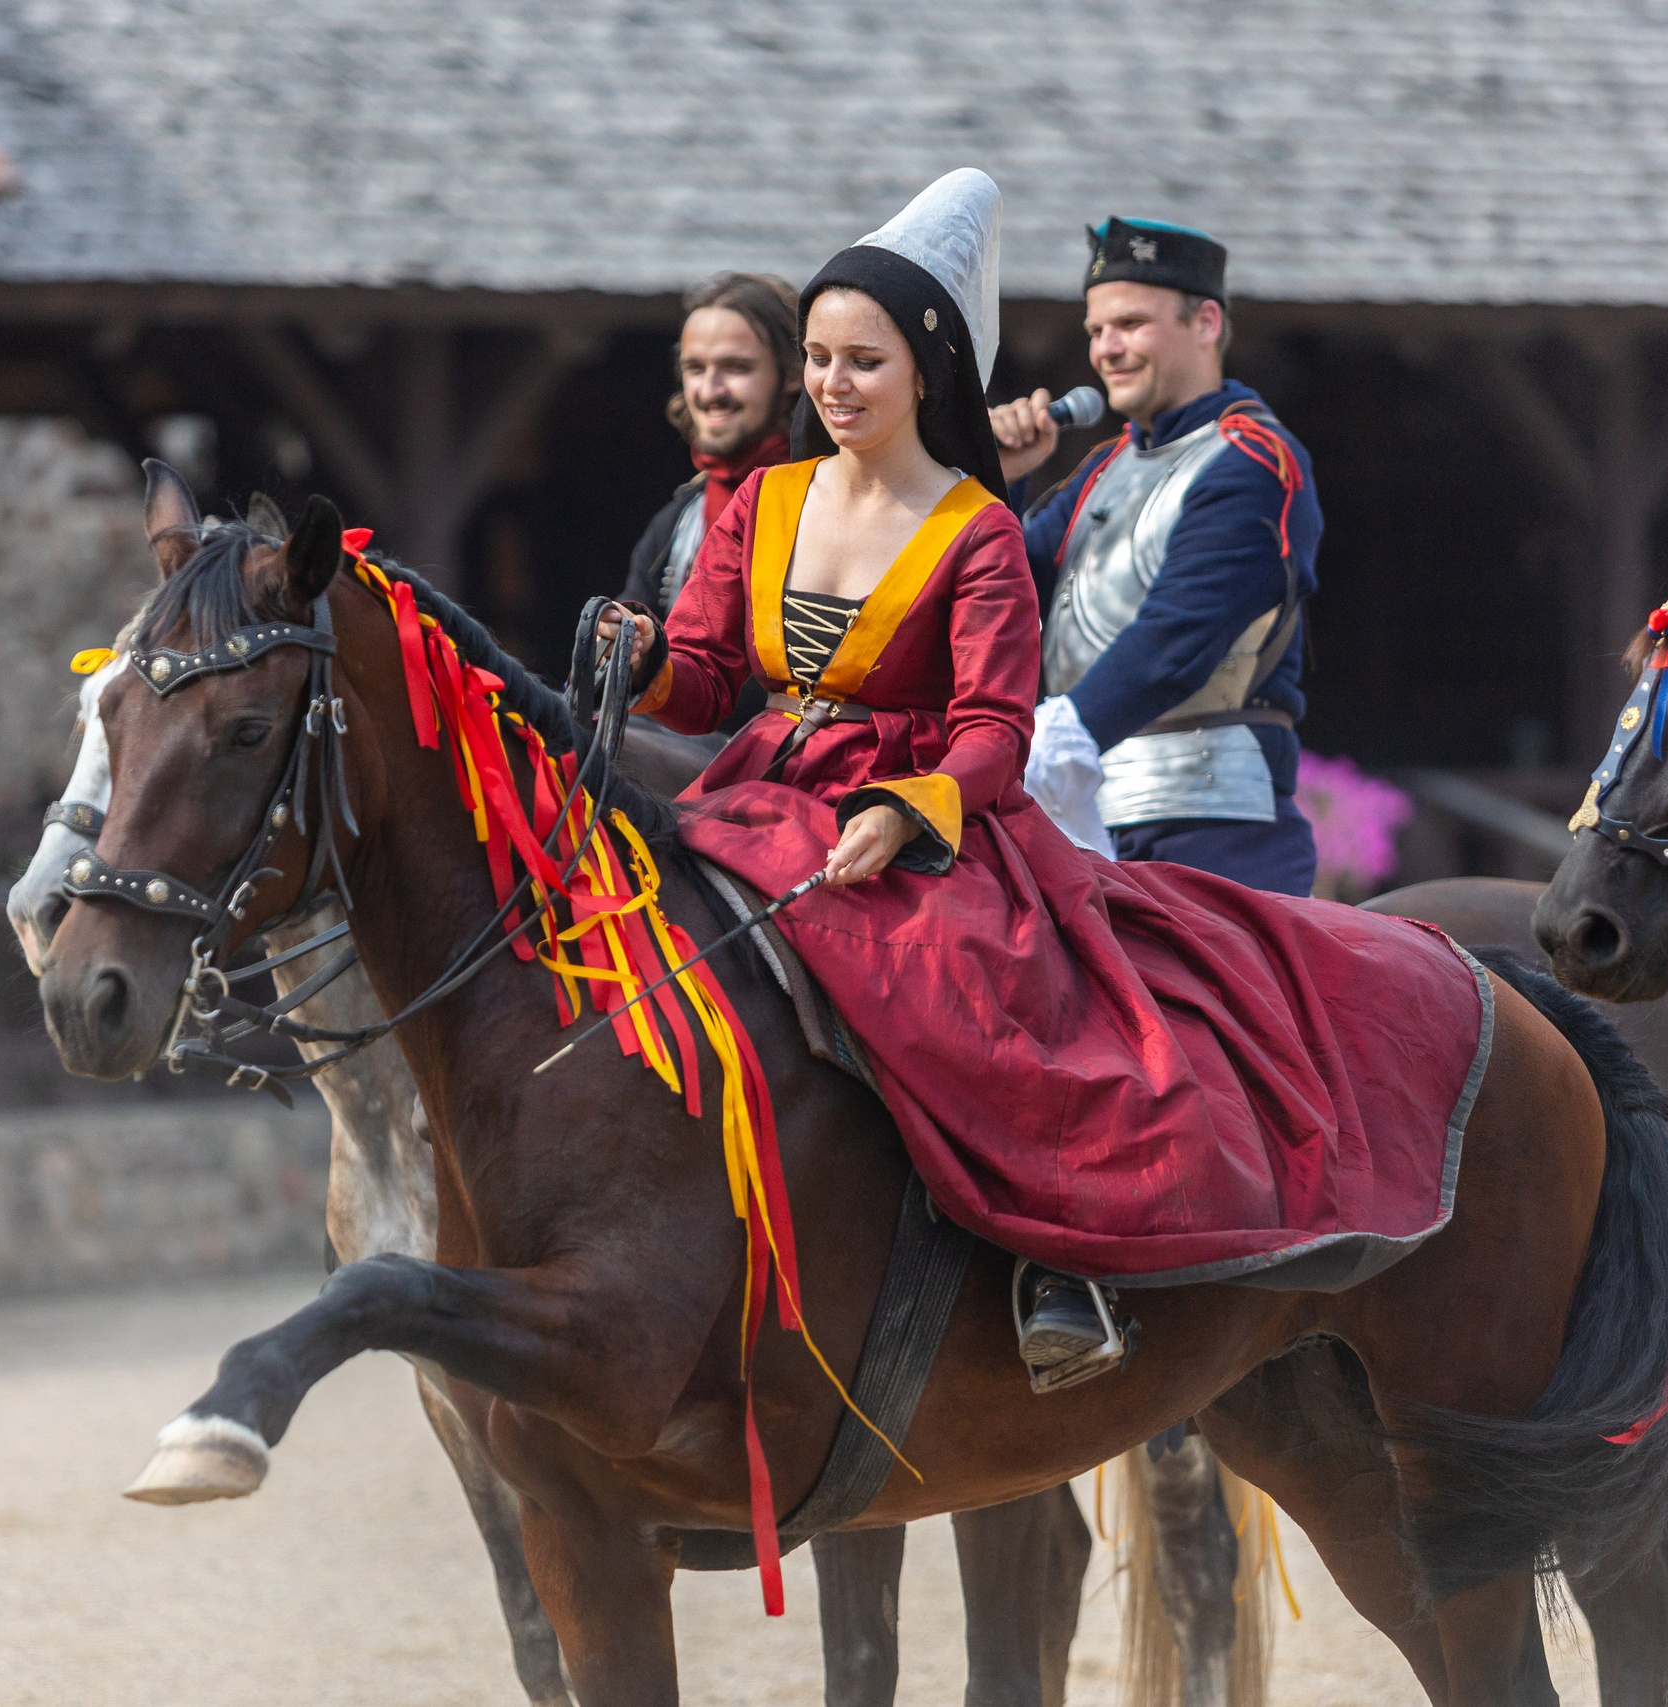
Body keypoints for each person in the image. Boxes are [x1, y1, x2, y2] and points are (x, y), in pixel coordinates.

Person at [596, 173, 1484, 1388]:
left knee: (997, 992)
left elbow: (1121, 656)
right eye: (817, 358)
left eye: (863, 359)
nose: (832, 383)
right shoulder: (814, 498)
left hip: (1126, 785)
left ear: (921, 369)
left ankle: (1069, 1253)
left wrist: (928, 798)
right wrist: (646, 661)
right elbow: (704, 678)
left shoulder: (1238, 465)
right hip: (768, 790)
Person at [987, 219, 1325, 896]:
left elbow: (1177, 636)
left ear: (1205, 322)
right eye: (1095, 331)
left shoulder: (1254, 461)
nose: (1106, 349)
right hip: (1077, 811)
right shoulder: (1102, 469)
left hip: (1210, 823)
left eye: (1130, 324)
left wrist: (1051, 741)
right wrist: (1000, 482)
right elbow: (998, 593)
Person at [620, 273, 803, 615]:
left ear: (793, 373)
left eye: (736, 367)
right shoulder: (676, 522)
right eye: (695, 368)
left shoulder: (830, 505)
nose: (709, 391)